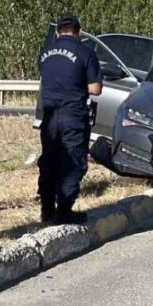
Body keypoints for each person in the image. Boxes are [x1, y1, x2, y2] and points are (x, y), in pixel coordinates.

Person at [37, 15, 102, 224]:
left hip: (49, 117)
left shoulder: (45, 53)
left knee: (49, 161)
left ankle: (46, 210)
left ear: (57, 32)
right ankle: (63, 211)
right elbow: (95, 89)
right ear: (79, 32)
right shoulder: (85, 52)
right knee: (72, 162)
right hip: (73, 115)